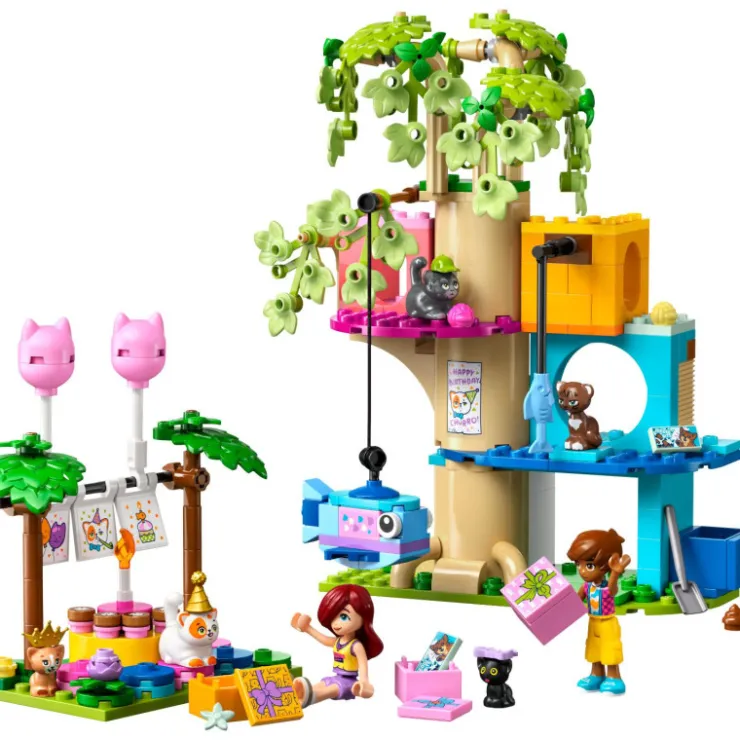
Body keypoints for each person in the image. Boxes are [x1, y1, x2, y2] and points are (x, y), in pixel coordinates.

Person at [290, 584, 383, 707]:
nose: (336, 623)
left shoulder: (356, 646)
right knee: (323, 684)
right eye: (333, 617)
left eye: (344, 616)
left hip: (350, 683)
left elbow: (363, 664)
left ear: (363, 618)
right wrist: (307, 628)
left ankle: (309, 698)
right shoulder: (338, 641)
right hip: (336, 677)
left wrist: (364, 681)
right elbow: (322, 639)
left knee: (332, 689)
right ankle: (300, 692)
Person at [567, 528, 631, 694]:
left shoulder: (606, 587)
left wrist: (615, 573)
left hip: (608, 622)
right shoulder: (586, 586)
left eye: (589, 565)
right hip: (593, 621)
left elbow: (612, 590)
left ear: (606, 564)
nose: (582, 571)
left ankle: (614, 678)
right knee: (593, 648)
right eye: (578, 564)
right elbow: (575, 600)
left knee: (610, 648)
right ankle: (596, 674)